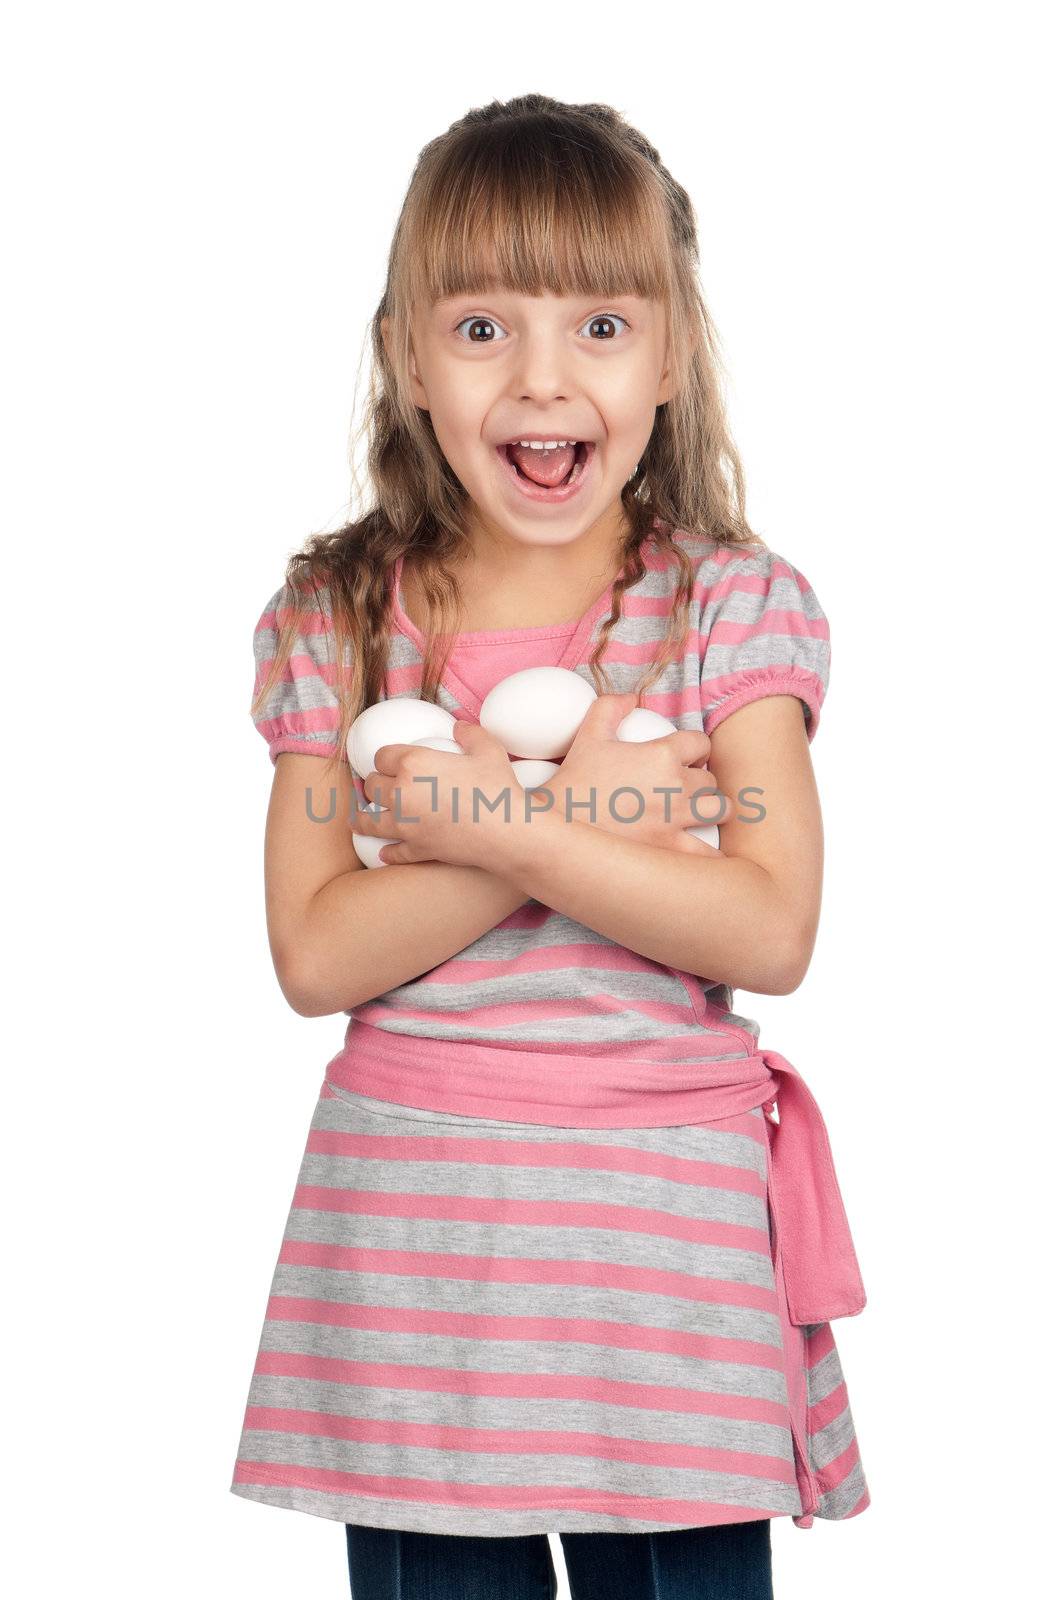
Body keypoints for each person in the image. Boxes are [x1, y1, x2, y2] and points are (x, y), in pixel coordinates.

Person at [229, 93, 869, 1600]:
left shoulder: (728, 606)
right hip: (419, 1249)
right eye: (481, 329)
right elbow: (316, 952)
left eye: (599, 325)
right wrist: (578, 823)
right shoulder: (338, 618)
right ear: (406, 354)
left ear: (671, 356)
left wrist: (485, 819)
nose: (542, 379)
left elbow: (770, 926)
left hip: (662, 1264)